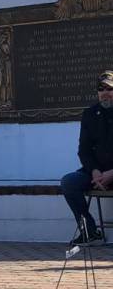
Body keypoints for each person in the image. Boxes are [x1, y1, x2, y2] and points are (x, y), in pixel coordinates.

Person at [59, 71, 113, 246]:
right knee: (69, 182)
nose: (105, 92)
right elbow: (84, 150)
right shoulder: (90, 114)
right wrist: (95, 171)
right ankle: (90, 232)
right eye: (101, 88)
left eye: (109, 88)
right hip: (96, 174)